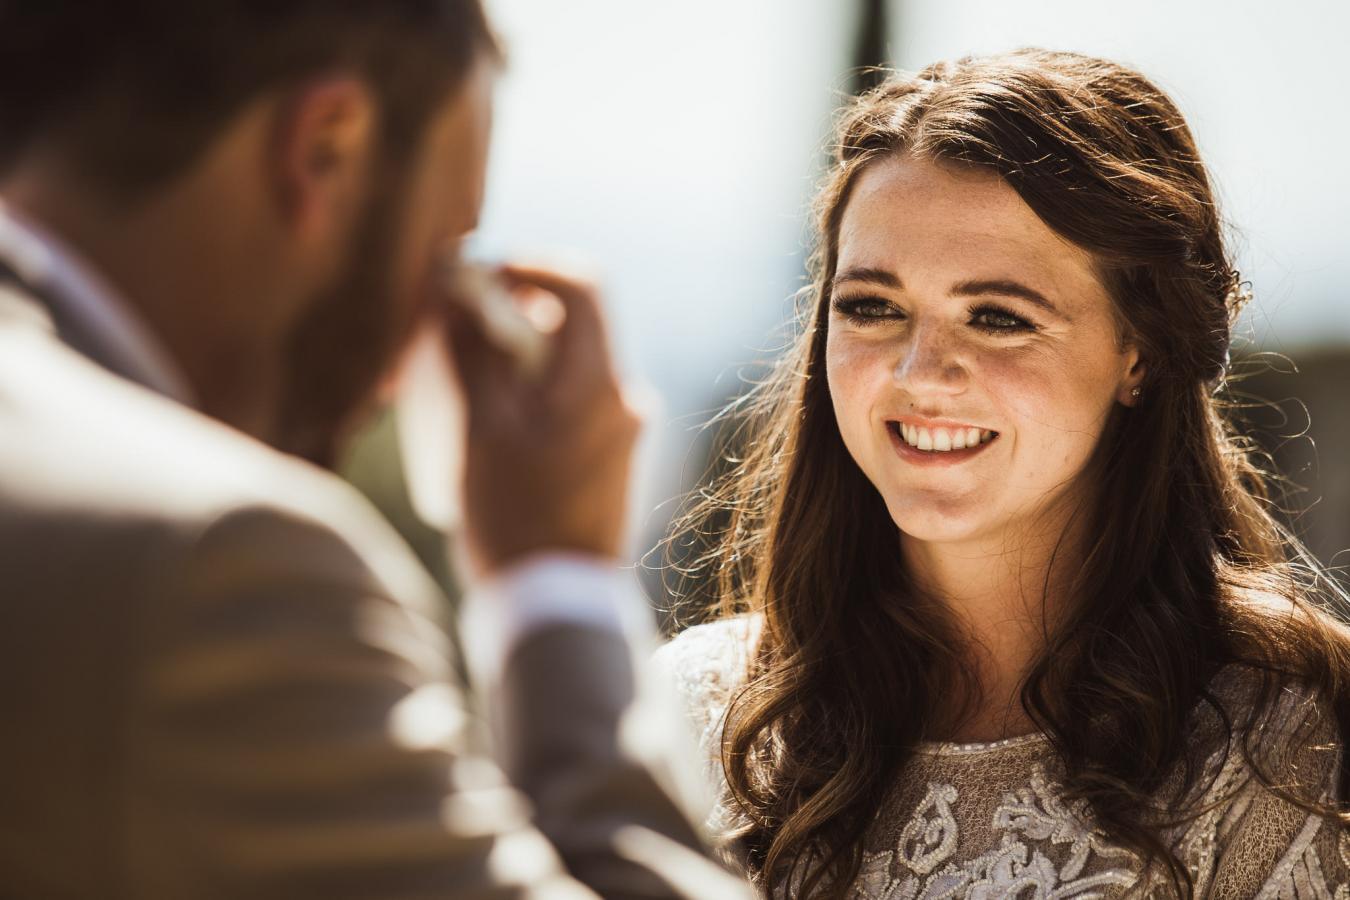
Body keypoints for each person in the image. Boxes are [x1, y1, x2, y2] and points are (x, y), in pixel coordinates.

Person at [0, 3, 749, 898]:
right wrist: (556, 580)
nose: (404, 369)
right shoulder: (215, 569)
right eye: (441, 256)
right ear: (324, 149)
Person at [656, 48, 1350, 897]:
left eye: (997, 317)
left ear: (1139, 352)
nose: (920, 370)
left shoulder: (1294, 741)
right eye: (872, 306)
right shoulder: (694, 710)